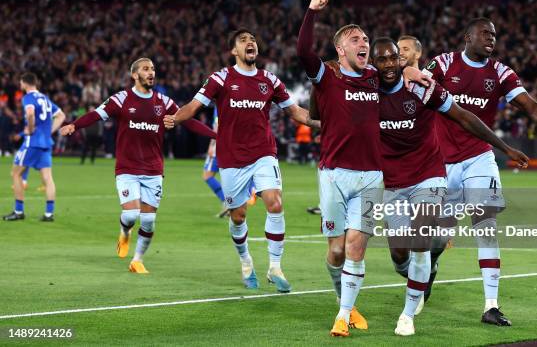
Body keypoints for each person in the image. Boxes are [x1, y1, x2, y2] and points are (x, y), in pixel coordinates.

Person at [370, 37, 528, 336]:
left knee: (464, 229)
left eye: (398, 55)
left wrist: (505, 148)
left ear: (410, 56)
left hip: (431, 174)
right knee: (403, 253)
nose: (393, 62)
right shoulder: (368, 90)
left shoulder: (423, 86)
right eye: (385, 58)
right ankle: (424, 273)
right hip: (395, 182)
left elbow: (464, 116)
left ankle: (409, 313)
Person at [297, 0, 432, 337]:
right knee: (338, 250)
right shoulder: (327, 77)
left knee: (357, 245)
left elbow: (398, 72)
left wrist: (410, 69)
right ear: (340, 50)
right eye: (355, 40)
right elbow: (303, 52)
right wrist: (311, 12)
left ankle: (342, 316)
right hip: (333, 175)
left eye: (366, 40)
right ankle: (346, 301)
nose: (364, 44)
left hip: (372, 177)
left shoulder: (376, 77)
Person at [425, 17, 537, 326]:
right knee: (438, 237)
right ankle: (430, 264)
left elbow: (527, 104)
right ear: (467, 36)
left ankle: (490, 305)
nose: (491, 38)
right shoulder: (443, 63)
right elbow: (416, 88)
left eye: (494, 34)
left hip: (479, 157)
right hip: (441, 162)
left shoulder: (499, 72)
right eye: (485, 33)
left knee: (485, 226)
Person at [164, 29, 319, 292]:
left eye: (253, 40)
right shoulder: (220, 78)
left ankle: (275, 267)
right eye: (243, 40)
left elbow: (295, 111)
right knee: (238, 216)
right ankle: (246, 261)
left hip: (263, 153)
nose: (251, 43)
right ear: (234, 51)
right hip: (232, 157)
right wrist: (174, 118)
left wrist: (321, 122)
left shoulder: (269, 80)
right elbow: (193, 106)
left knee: (275, 202)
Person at [60, 58, 215, 273]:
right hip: (127, 168)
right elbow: (97, 114)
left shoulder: (164, 102)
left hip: (153, 170)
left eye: (153, 69)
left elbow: (188, 120)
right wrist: (74, 126)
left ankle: (137, 260)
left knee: (149, 220)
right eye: (145, 69)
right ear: (134, 75)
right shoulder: (122, 99)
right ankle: (125, 232)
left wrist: (216, 135)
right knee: (132, 215)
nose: (151, 72)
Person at [3, 73, 65, 222]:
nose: (20, 85)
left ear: (25, 83)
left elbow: (30, 114)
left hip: (32, 143)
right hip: (46, 143)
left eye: (21, 83)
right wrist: (48, 131)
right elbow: (61, 115)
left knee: (16, 173)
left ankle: (18, 211)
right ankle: (49, 214)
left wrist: (30, 129)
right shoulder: (45, 98)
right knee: (48, 178)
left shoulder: (28, 98)